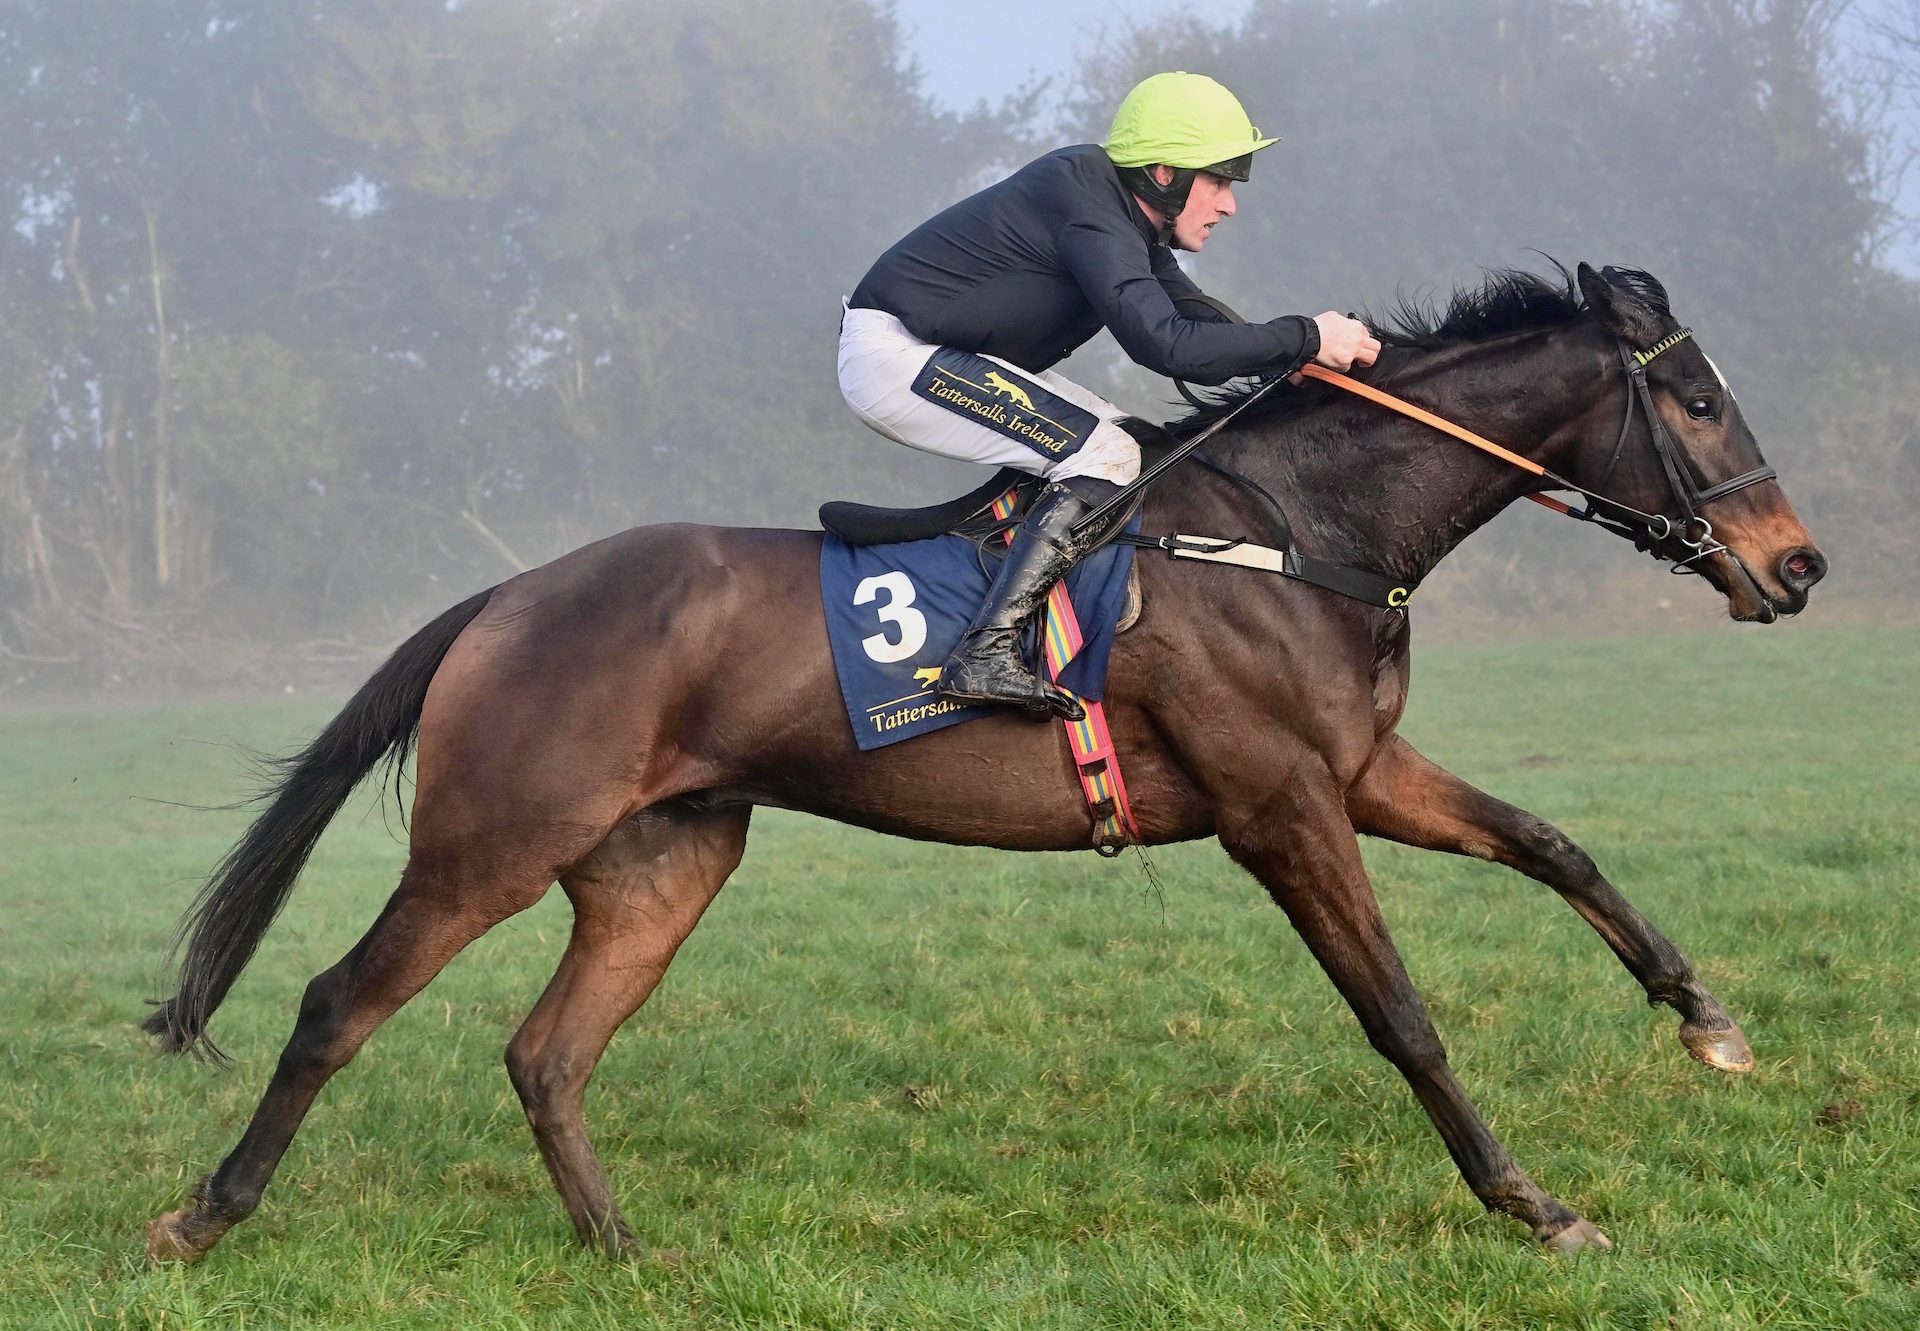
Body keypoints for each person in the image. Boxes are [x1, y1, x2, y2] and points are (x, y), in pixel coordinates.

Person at [839, 71, 1380, 720]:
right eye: (1219, 180)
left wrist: (1294, 359)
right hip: (896, 355)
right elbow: (1170, 346)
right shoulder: (1089, 207)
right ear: (1162, 174)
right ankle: (985, 650)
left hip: (941, 351)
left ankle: (1028, 600)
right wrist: (1305, 334)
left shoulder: (1122, 214)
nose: (1230, 204)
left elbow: (1197, 315)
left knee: (1135, 445)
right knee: (1106, 458)